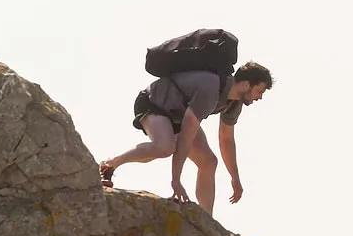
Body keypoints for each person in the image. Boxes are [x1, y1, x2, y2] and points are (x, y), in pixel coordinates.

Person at [99, 62, 274, 215]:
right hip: (155, 102)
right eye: (259, 91)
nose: (260, 97)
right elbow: (185, 137)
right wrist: (176, 180)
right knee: (165, 147)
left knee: (209, 162)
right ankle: (111, 165)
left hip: (180, 115)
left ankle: (207, 219)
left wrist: (235, 177)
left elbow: (226, 140)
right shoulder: (210, 89)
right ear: (245, 84)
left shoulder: (234, 103)